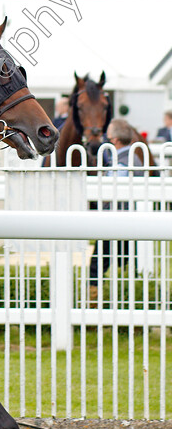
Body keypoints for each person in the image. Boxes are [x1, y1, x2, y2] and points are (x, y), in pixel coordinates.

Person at [88, 118, 144, 302]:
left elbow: (110, 192)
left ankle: (93, 300)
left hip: (114, 219)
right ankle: (130, 297)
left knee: (98, 263)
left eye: (109, 137)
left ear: (115, 140)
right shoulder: (131, 157)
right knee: (127, 261)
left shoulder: (121, 162)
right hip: (129, 220)